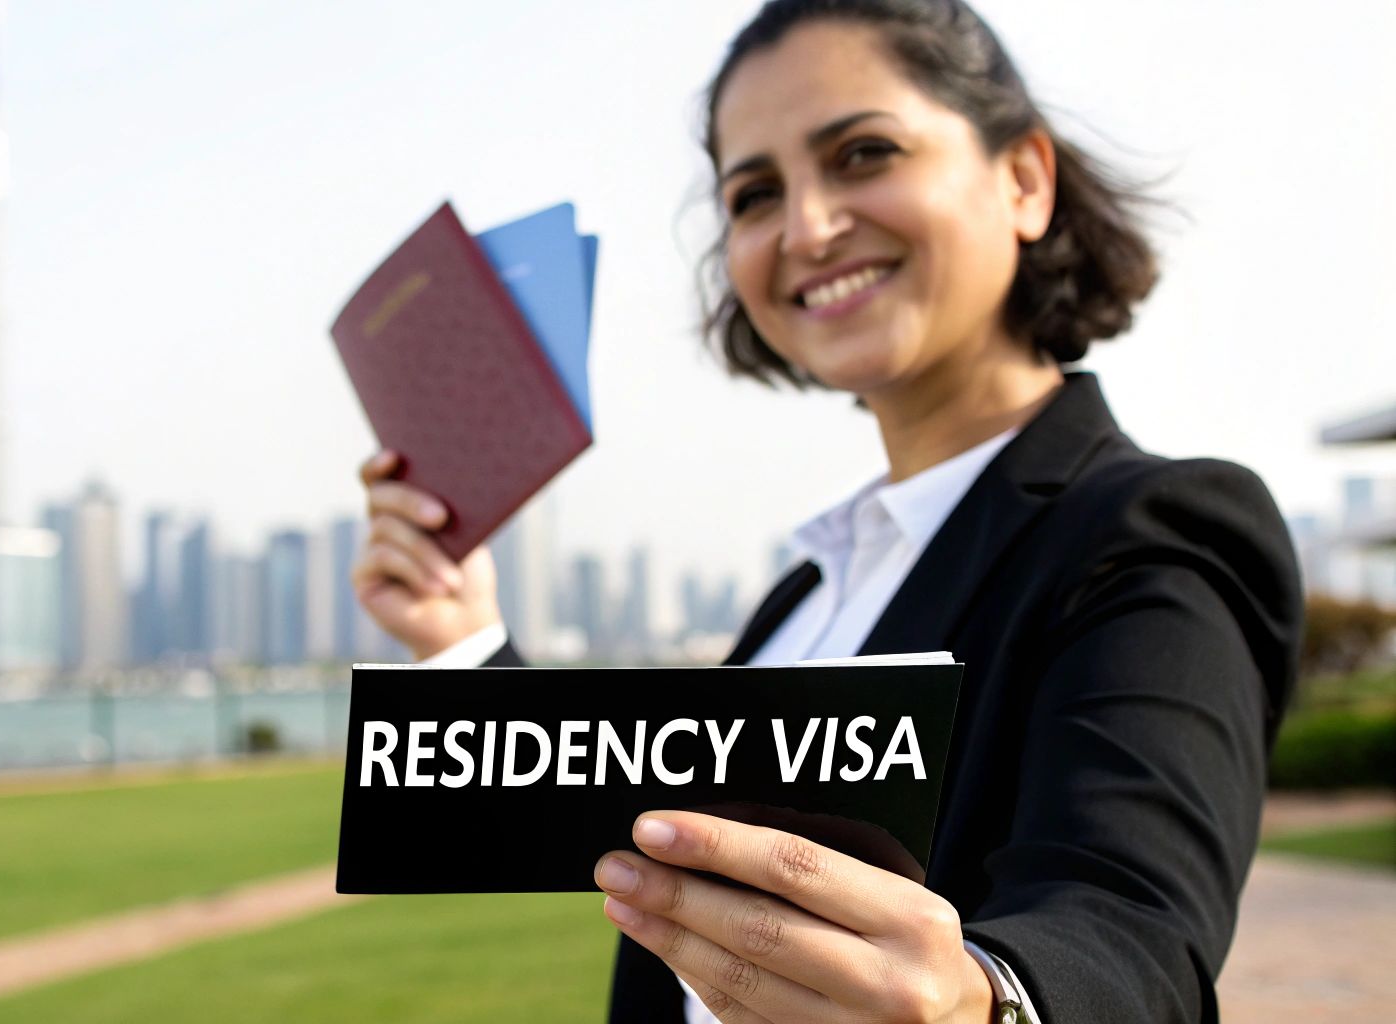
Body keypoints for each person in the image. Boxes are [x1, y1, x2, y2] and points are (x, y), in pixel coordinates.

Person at [351, 1, 1302, 1021]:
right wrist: (460, 640)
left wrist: (981, 1003)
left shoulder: (1150, 532)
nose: (805, 227)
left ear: (1022, 180)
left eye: (861, 152)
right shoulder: (802, 598)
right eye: (754, 194)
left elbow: (1128, 926)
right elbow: (650, 836)